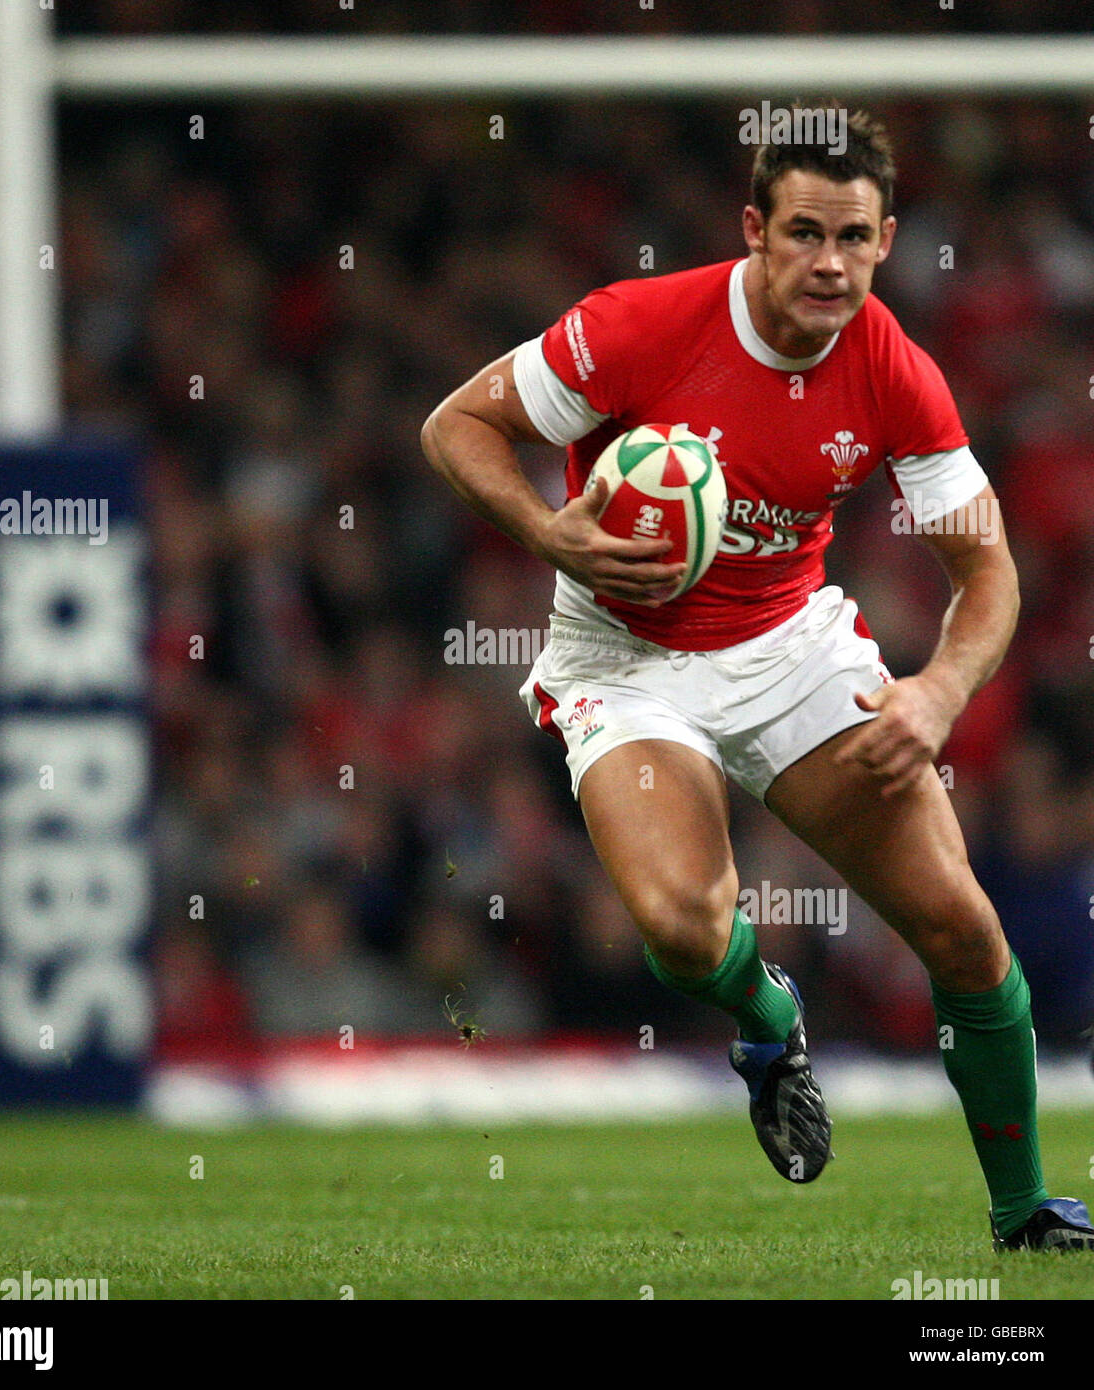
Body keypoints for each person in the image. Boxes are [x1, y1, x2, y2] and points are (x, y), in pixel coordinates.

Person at [421, 104, 1093, 1252]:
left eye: (853, 237)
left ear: (886, 242)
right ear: (754, 231)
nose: (829, 263)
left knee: (963, 932)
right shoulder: (634, 326)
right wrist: (551, 534)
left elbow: (987, 572)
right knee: (685, 928)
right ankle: (765, 1014)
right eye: (802, 233)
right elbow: (456, 427)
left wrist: (933, 692)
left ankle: (1024, 1212)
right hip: (623, 659)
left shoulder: (898, 373)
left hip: (791, 652)